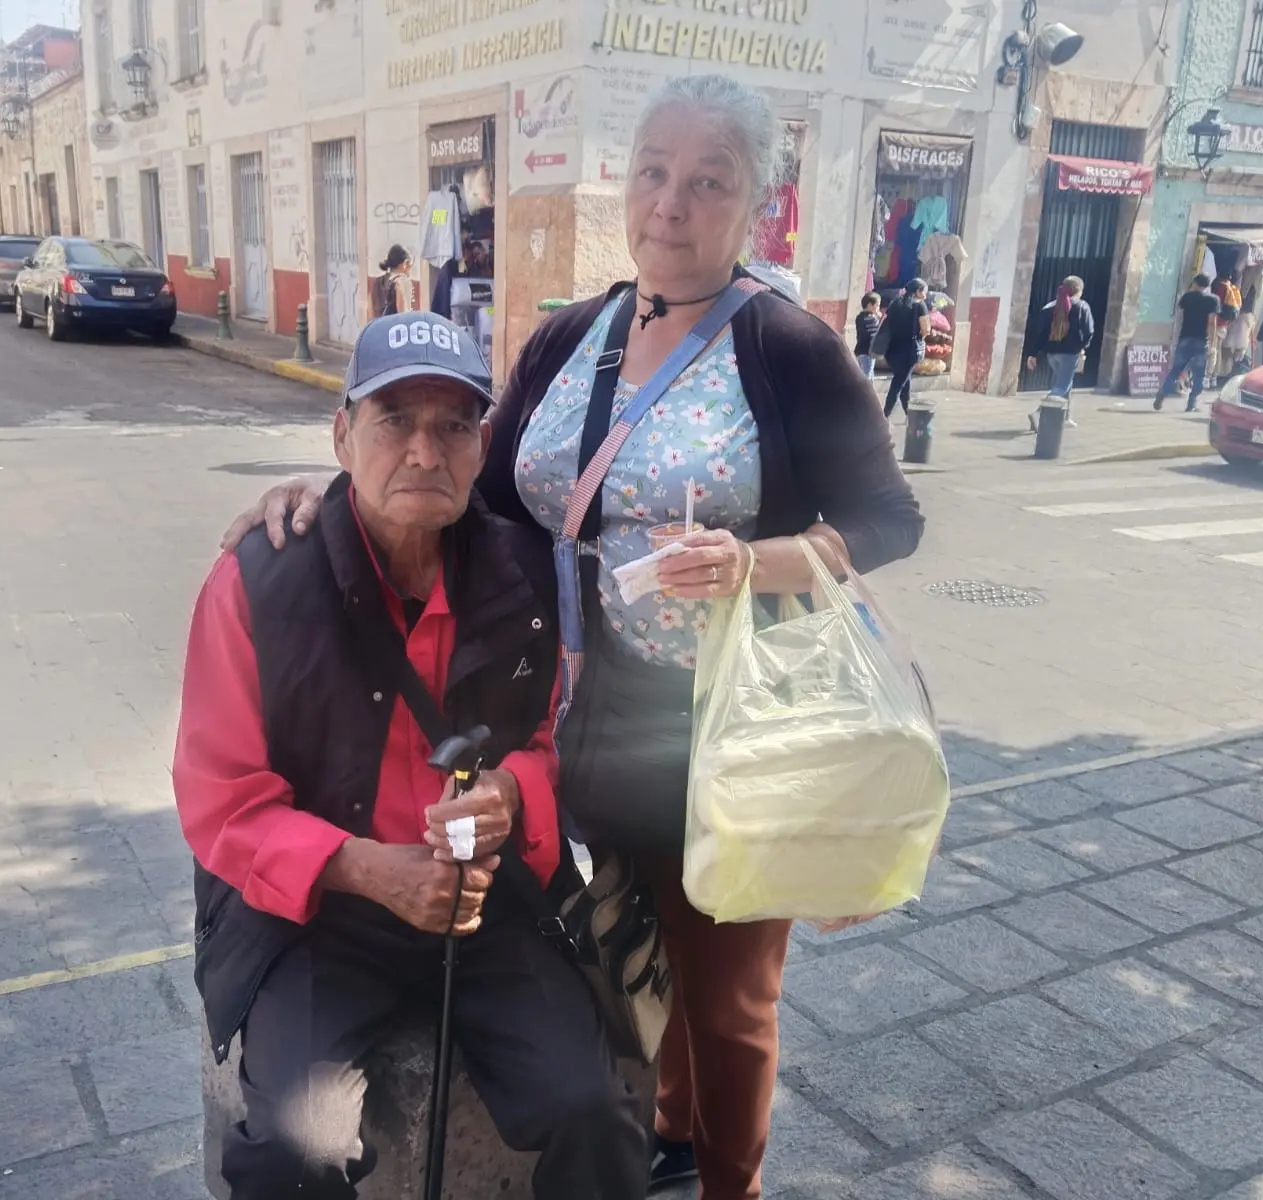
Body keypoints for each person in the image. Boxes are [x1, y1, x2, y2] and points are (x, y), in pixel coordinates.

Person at [220, 74, 924, 1200]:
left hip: (722, 728)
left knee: (730, 990)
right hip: (568, 716)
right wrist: (333, 487)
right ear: (625, 181)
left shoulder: (786, 346)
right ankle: (667, 1126)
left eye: (709, 183)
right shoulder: (569, 336)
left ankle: (726, 1182)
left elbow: (891, 522)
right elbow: (467, 489)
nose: (672, 207)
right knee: (625, 958)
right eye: (654, 174)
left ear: (754, 207)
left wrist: (757, 563)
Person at [174, 309, 649, 1200]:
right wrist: (368, 871)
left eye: (454, 425)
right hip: (319, 920)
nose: (426, 451)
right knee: (289, 1147)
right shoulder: (258, 581)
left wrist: (513, 794)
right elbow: (219, 797)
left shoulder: (531, 576)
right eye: (395, 420)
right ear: (343, 435)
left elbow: (559, 743)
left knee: (596, 1113)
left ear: (482, 447)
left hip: (488, 907)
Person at [1024, 275, 1094, 430]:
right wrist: (1082, 346)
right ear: (1079, 291)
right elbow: (1089, 331)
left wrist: (1033, 353)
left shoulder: (1049, 307)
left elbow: (1040, 333)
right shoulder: (1082, 306)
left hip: (1051, 354)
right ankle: (1038, 413)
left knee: (1064, 383)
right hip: (1069, 353)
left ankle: (1066, 417)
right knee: (1062, 386)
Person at [1155, 273, 1219, 413]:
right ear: (1207, 285)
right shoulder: (1213, 300)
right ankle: (1191, 404)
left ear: (1195, 283)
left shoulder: (1186, 297)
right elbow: (1212, 323)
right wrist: (1213, 344)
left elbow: (1179, 316)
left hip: (1184, 339)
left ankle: (1163, 392)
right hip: (1201, 342)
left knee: (1176, 370)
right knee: (1199, 376)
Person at [881, 279, 930, 418]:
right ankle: (884, 416)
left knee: (904, 380)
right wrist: (923, 337)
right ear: (918, 292)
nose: (925, 295)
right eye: (924, 292)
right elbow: (925, 329)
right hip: (908, 351)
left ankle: (908, 413)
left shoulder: (896, 303)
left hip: (892, 349)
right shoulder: (920, 306)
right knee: (898, 384)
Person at [374, 244, 415, 317]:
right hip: (394, 327)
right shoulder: (403, 282)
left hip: (378, 326)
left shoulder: (377, 282)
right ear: (405, 263)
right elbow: (404, 316)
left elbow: (370, 312)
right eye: (410, 265)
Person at [853, 291, 881, 379]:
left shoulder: (859, 317)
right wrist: (878, 319)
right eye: (877, 305)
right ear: (870, 305)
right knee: (866, 378)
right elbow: (875, 335)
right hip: (868, 352)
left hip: (860, 350)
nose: (878, 308)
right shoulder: (872, 319)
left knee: (867, 376)